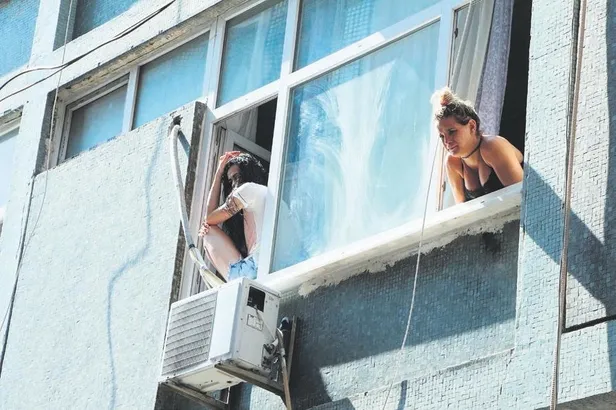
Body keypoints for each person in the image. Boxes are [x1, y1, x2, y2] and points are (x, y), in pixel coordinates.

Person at [432, 87, 523, 204]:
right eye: (442, 136)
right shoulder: (453, 162)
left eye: (452, 131)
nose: (447, 141)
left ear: (472, 126)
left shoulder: (492, 146)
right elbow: (462, 210)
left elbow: (523, 197)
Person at [198, 151, 268, 280]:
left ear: (248, 174)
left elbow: (209, 219)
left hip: (259, 268)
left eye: (237, 177)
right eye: (230, 181)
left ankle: (240, 283)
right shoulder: (266, 197)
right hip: (270, 264)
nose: (233, 185)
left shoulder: (248, 189)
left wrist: (218, 173)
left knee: (209, 231)